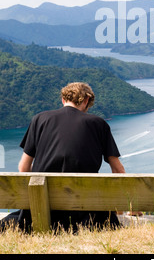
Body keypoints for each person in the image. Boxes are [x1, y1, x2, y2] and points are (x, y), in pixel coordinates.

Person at [3, 82, 125, 233]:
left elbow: (23, 167)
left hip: (43, 209)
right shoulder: (99, 124)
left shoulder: (39, 119)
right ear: (86, 101)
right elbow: (118, 170)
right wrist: (122, 209)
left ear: (63, 100)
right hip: (87, 213)